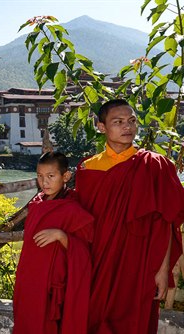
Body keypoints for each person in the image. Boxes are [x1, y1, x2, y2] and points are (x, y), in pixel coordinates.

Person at [76, 99, 184, 333]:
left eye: (132, 121)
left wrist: (162, 271)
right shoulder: (87, 169)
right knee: (92, 320)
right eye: (118, 122)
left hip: (140, 265)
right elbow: (80, 224)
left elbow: (166, 222)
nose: (128, 127)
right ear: (101, 126)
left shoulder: (156, 165)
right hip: (98, 264)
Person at [13, 151, 94, 334]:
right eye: (40, 176)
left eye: (51, 176)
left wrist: (61, 236)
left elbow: (86, 253)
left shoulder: (73, 209)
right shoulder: (37, 203)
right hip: (29, 281)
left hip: (53, 287)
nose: (45, 182)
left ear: (66, 176)